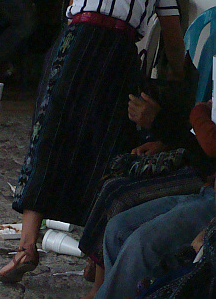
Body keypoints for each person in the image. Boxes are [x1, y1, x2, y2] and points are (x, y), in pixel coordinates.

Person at [0, 0, 185, 283]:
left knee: (47, 139)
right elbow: (175, 49)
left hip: (68, 49)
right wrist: (179, 87)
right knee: (108, 147)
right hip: (115, 56)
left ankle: (26, 247)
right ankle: (95, 259)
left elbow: (72, 12)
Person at [79, 75, 215, 298]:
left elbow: (211, 143)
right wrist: (167, 137)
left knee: (142, 243)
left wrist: (195, 115)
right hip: (207, 184)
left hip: (207, 191)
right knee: (117, 229)